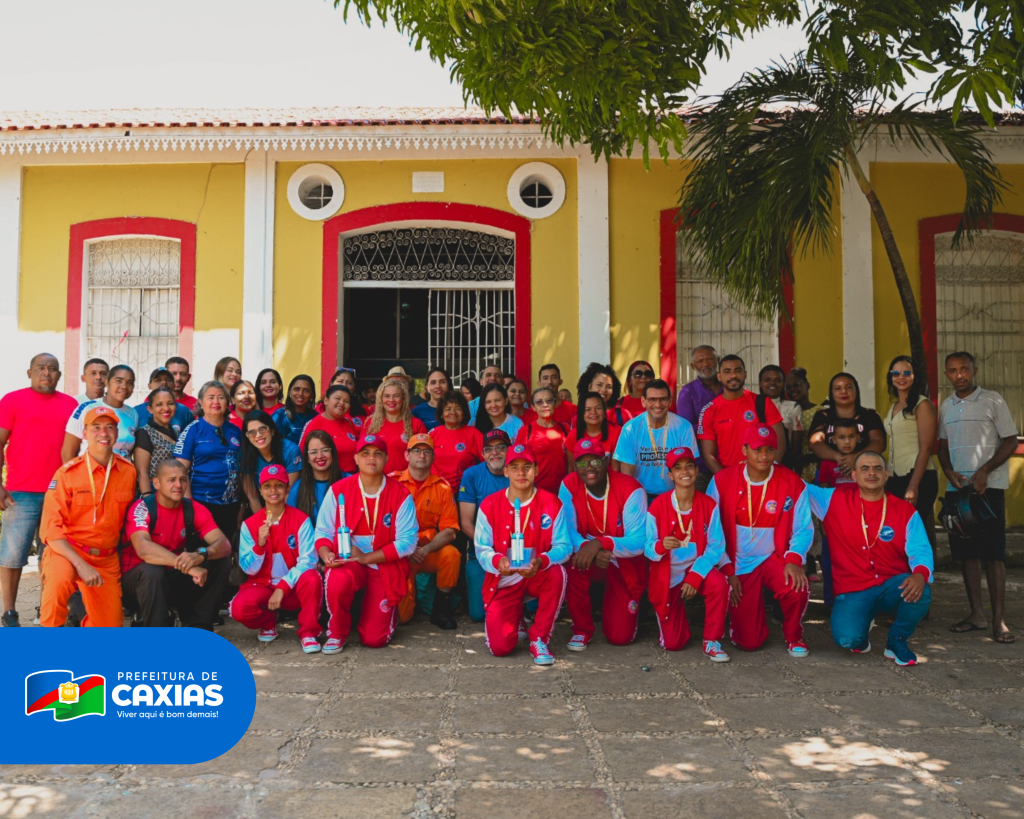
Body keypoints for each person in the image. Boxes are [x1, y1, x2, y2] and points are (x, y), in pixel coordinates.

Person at [805, 451, 933, 665]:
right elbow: (797, 486)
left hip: (891, 586)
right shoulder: (832, 499)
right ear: (854, 475)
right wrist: (765, 461)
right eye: (865, 468)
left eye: (877, 468)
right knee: (848, 640)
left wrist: (920, 574)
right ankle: (862, 625)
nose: (871, 473)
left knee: (922, 590)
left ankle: (897, 641)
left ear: (886, 474)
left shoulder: (905, 510)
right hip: (853, 589)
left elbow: (920, 549)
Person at [707, 425, 813, 656]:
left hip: (775, 558)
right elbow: (711, 533)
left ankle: (794, 636)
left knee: (797, 586)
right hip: (739, 563)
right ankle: (743, 625)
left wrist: (794, 560)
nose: (764, 456)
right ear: (744, 450)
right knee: (749, 642)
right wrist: (727, 570)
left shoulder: (792, 482)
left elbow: (803, 529)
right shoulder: (722, 480)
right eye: (757, 450)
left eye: (769, 450)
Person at [938, 351, 1019, 644]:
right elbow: (942, 446)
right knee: (967, 555)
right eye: (953, 370)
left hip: (989, 490)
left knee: (993, 555)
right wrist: (949, 472)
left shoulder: (993, 400)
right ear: (946, 374)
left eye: (964, 369)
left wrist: (985, 470)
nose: (959, 375)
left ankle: (1000, 622)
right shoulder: (945, 407)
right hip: (958, 492)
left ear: (975, 370)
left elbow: (1011, 440)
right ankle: (976, 615)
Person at [315, 434, 418, 652]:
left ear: (386, 459)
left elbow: (408, 542)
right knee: (337, 578)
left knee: (374, 640)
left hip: (383, 568)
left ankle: (388, 615)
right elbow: (323, 530)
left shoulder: (401, 494)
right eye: (365, 453)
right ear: (355, 458)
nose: (371, 458)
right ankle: (337, 632)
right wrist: (326, 554)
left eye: (377, 453)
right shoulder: (338, 490)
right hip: (348, 562)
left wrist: (366, 558)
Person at [474, 443, 573, 665]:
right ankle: (515, 617)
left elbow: (564, 546)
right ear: (505, 471)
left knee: (557, 573)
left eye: (527, 467)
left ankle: (539, 638)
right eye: (514, 467)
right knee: (500, 648)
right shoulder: (490, 504)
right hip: (505, 578)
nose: (521, 473)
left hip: (537, 573)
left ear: (536, 470)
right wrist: (498, 561)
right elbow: (481, 548)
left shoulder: (552, 502)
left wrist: (542, 560)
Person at [39, 406, 137, 627]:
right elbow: (51, 530)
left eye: (109, 427)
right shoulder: (67, 474)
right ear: (84, 433)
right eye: (96, 427)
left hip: (105, 558)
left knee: (109, 628)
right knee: (58, 584)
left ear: (116, 433)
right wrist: (80, 565)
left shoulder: (128, 472)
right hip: (68, 551)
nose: (103, 433)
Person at [0, 353, 78, 627]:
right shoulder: (12, 400)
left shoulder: (70, 404)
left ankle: (46, 612)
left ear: (59, 374)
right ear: (29, 372)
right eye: (41, 368)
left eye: (52, 369)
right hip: (19, 493)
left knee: (53, 557)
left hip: (59, 494)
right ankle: (9, 612)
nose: (46, 373)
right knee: (12, 556)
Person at [645, 446, 731, 661]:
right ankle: (676, 619)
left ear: (696, 470)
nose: (685, 471)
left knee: (719, 584)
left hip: (696, 568)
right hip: (669, 575)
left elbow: (716, 546)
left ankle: (712, 640)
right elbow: (647, 548)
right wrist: (660, 546)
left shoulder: (709, 504)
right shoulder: (658, 506)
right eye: (678, 468)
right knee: (674, 644)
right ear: (670, 475)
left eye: (689, 466)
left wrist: (695, 575)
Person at [559, 441, 648, 650]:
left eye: (595, 461)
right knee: (570, 564)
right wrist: (589, 549)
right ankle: (581, 629)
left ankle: (629, 608)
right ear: (575, 466)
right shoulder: (569, 484)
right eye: (582, 463)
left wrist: (601, 543)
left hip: (620, 560)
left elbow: (640, 541)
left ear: (606, 461)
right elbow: (567, 531)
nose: (589, 468)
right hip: (586, 555)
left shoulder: (631, 488)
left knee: (620, 637)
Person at [122, 460, 231, 629]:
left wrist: (200, 555)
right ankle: (157, 631)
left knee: (220, 559)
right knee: (152, 570)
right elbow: (144, 549)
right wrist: (188, 566)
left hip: (172, 578)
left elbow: (224, 544)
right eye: (171, 480)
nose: (178, 485)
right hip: (137, 585)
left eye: (183, 479)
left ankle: (198, 627)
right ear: (156, 483)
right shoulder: (142, 508)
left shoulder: (193, 508)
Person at [231, 464, 323, 653]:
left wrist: (283, 587)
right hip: (264, 588)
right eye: (267, 486)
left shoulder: (301, 520)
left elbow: (309, 561)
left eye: (279, 485)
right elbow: (248, 569)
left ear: (287, 489)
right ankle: (268, 621)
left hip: (293, 588)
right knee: (238, 609)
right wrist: (259, 545)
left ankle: (309, 633)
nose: (273, 490)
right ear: (260, 490)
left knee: (312, 578)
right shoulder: (250, 524)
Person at [393, 434, 461, 629]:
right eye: (416, 450)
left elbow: (450, 530)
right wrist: (405, 549)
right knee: (402, 618)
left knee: (451, 554)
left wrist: (425, 550)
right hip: (400, 553)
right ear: (407, 455)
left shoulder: (442, 487)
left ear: (433, 457)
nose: (421, 455)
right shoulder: (392, 483)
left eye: (427, 451)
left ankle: (441, 611)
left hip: (426, 551)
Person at [174, 381, 242, 542]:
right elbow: (180, 471)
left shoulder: (235, 431)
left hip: (231, 504)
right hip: (201, 503)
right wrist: (189, 505)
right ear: (201, 402)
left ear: (228, 402)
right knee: (203, 550)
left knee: (226, 549)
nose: (216, 402)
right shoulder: (192, 430)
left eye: (221, 397)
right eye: (211, 397)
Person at [883, 355, 938, 548]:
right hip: (895, 477)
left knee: (913, 534)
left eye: (907, 373)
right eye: (896, 373)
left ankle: (921, 567)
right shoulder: (894, 407)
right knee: (898, 535)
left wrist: (913, 486)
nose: (901, 377)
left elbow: (926, 448)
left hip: (918, 477)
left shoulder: (922, 404)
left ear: (915, 376)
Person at [697, 355, 786, 473]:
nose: (733, 375)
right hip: (728, 476)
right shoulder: (709, 410)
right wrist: (727, 479)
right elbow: (709, 456)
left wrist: (765, 473)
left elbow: (780, 444)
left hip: (762, 475)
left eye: (738, 371)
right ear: (719, 376)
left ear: (745, 374)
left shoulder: (763, 403)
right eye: (727, 371)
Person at [458, 429, 512, 622]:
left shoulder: (519, 471)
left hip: (516, 552)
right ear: (482, 454)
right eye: (489, 449)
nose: (495, 452)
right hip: (482, 553)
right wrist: (492, 549)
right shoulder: (472, 475)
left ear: (510, 450)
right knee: (478, 614)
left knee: (531, 606)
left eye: (500, 447)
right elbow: (466, 524)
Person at [613, 379, 697, 502]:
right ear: (643, 401)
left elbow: (688, 469)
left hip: (674, 496)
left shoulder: (683, 427)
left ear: (670, 401)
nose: (658, 405)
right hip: (640, 496)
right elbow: (627, 475)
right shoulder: (631, 429)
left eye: (663, 399)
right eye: (652, 399)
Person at [808, 372, 886, 482]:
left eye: (848, 387)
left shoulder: (869, 415)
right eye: (837, 388)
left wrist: (857, 457)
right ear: (831, 393)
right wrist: (840, 458)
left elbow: (879, 442)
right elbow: (815, 443)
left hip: (865, 475)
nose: (843, 391)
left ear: (856, 390)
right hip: (829, 476)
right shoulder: (823, 416)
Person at [63, 364, 138, 462]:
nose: (124, 386)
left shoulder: (133, 413)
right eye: (118, 381)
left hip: (122, 471)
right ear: (107, 382)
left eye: (129, 383)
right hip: (90, 470)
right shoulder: (87, 408)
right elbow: (67, 453)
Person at [239, 411, 302, 511]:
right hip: (261, 505)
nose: (258, 435)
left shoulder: (290, 450)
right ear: (247, 437)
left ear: (272, 430)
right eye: (252, 432)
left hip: (290, 505)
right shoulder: (245, 455)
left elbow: (288, 493)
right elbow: (253, 498)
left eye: (263, 429)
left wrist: (278, 519)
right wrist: (264, 519)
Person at [366, 377, 428, 474]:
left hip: (407, 480)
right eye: (387, 396)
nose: (391, 400)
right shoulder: (370, 424)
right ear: (381, 399)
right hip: (377, 479)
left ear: (403, 398)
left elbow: (425, 457)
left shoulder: (416, 424)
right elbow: (363, 455)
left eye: (396, 396)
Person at [515, 387, 569, 493]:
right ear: (533, 407)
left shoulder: (565, 429)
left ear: (555, 403)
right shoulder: (525, 431)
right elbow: (519, 464)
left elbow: (571, 464)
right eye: (539, 402)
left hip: (562, 492)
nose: (545, 405)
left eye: (549, 401)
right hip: (536, 492)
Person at [429, 390, 483, 493]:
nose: (453, 412)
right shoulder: (433, 434)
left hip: (465, 490)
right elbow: (425, 462)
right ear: (441, 413)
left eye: (458, 408)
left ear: (464, 412)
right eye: (448, 409)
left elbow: (487, 461)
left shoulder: (474, 434)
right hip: (436, 490)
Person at [302, 384, 363, 474]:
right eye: (337, 398)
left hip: (351, 477)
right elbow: (303, 455)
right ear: (326, 401)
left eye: (346, 401)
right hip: (329, 478)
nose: (341, 403)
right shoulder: (314, 425)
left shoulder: (349, 423)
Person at [134, 386, 184, 495]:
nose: (165, 408)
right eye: (159, 404)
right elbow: (142, 473)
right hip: (155, 492)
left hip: (175, 491)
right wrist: (148, 498)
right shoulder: (144, 433)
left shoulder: (176, 433)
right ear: (150, 409)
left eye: (170, 403)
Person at [288, 430, 345, 521]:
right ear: (307, 458)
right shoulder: (298, 489)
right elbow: (291, 523)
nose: (320, 456)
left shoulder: (349, 481)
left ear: (332, 453)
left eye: (325, 450)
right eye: (313, 452)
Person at [759, 364, 803, 468]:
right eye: (767, 380)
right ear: (760, 383)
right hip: (756, 462)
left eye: (778, 380)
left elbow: (796, 446)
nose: (772, 383)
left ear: (783, 384)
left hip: (784, 463)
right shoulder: (752, 406)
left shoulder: (793, 407)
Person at [565, 392, 622, 471]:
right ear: (581, 414)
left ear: (604, 411)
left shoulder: (616, 432)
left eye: (598, 408)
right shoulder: (573, 435)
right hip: (582, 478)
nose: (593, 412)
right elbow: (572, 468)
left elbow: (616, 469)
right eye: (588, 409)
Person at [785, 367, 821, 480]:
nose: (792, 390)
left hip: (816, 466)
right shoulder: (785, 414)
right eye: (788, 388)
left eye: (796, 385)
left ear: (807, 385)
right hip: (793, 468)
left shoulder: (820, 412)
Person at [134, 367, 194, 431]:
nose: (164, 382)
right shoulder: (136, 412)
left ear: (174, 385)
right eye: (158, 380)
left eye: (168, 380)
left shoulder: (185, 412)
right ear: (149, 386)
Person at [815, 418, 860, 487]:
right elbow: (823, 490)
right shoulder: (826, 463)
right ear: (834, 440)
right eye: (842, 437)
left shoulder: (864, 461)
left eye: (851, 437)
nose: (847, 441)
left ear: (857, 438)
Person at [276, 374, 318, 446]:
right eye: (297, 389)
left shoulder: (316, 417)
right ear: (290, 391)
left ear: (312, 395)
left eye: (306, 391)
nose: (300, 394)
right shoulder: (279, 416)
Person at [411, 367, 452, 432]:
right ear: (427, 387)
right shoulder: (417, 412)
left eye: (442, 382)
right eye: (433, 382)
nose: (438, 386)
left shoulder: (457, 411)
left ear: (448, 385)